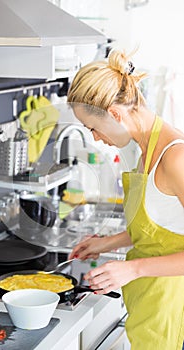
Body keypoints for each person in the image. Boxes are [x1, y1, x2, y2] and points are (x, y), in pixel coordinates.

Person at [67, 48, 184, 350]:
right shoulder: (147, 152)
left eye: (92, 127)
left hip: (176, 313)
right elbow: (163, 230)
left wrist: (131, 269)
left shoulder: (176, 158)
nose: (94, 137)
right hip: (153, 309)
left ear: (115, 115)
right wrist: (107, 243)